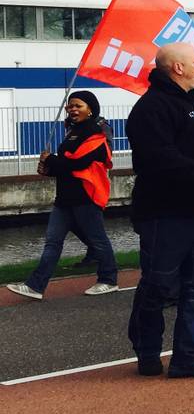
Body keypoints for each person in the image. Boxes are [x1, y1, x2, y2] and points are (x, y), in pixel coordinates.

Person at [126, 43, 194, 378]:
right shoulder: (151, 108)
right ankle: (147, 351)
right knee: (158, 284)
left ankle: (189, 355)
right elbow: (158, 157)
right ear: (178, 68)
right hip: (167, 214)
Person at [6, 91, 119, 300]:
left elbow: (78, 162)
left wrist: (51, 160)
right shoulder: (72, 131)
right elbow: (66, 165)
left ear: (90, 109)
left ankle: (108, 279)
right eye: (70, 106)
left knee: (98, 240)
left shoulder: (96, 134)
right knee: (53, 241)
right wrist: (48, 168)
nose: (73, 109)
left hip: (86, 194)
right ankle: (35, 286)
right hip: (65, 197)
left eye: (78, 105)